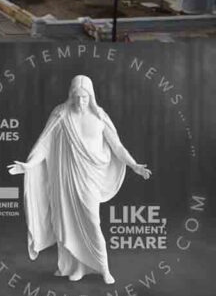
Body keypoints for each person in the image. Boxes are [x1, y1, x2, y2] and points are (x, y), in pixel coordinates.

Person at [8, 73, 152, 284]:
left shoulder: (100, 117)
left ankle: (104, 268)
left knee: (93, 222)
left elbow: (117, 146)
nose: (80, 101)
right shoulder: (61, 115)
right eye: (76, 97)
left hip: (90, 178)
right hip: (66, 179)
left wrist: (134, 165)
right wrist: (29, 165)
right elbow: (44, 144)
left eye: (84, 97)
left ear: (91, 97)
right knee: (67, 222)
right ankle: (76, 267)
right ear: (70, 95)